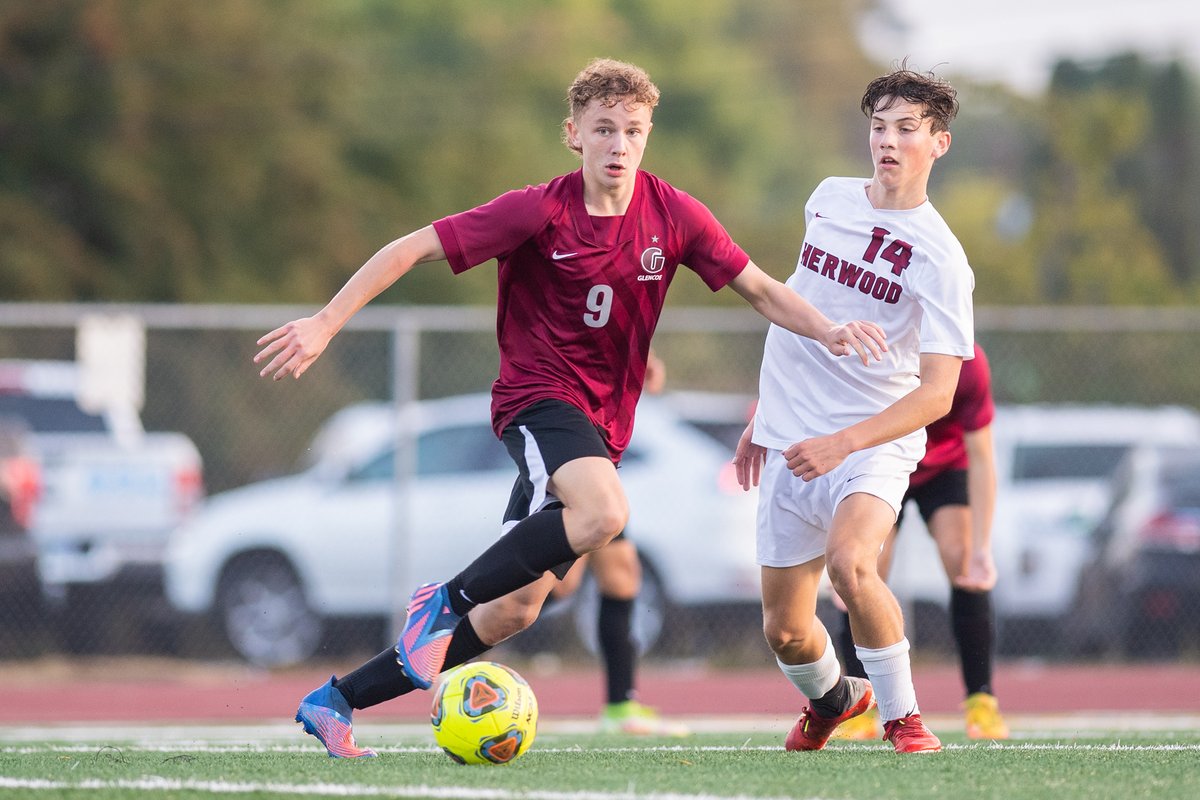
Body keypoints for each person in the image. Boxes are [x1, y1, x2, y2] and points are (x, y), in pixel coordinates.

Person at [254, 57, 886, 758]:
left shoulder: (674, 215)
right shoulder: (538, 210)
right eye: (604, 129)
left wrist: (828, 329)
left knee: (514, 610)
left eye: (634, 131)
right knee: (604, 512)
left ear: (648, 136)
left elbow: (762, 289)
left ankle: (337, 699)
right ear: (573, 135)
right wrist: (324, 321)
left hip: (600, 426)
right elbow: (410, 249)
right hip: (536, 400)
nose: (620, 145)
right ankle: (440, 600)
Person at [733, 64, 973, 755]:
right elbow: (799, 307)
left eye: (906, 129)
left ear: (939, 144)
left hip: (870, 443)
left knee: (851, 563)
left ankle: (904, 718)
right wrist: (763, 418)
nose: (888, 141)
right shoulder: (829, 198)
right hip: (789, 438)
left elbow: (938, 394)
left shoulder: (943, 259)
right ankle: (835, 698)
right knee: (783, 629)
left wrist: (843, 443)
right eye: (878, 127)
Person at [833, 341, 1009, 740]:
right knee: (860, 568)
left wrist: (982, 548)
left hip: (942, 468)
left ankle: (981, 701)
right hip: (880, 462)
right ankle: (861, 703)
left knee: (963, 559)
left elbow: (982, 457)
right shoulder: (876, 352)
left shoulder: (969, 364)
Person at [547, 349, 689, 737]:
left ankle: (620, 706)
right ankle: (453, 635)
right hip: (563, 439)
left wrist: (645, 356)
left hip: (595, 450)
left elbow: (614, 319)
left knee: (621, 573)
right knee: (558, 585)